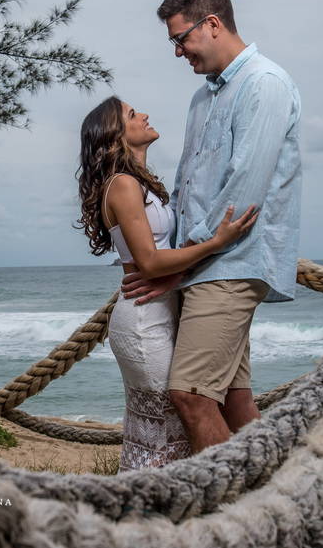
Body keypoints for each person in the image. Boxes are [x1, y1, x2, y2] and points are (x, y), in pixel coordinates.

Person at [123, 0, 302, 454]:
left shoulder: (264, 84)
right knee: (234, 399)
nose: (178, 52)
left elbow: (241, 195)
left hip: (232, 262)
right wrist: (168, 260)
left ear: (214, 24)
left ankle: (235, 515)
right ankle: (280, 503)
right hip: (203, 264)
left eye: (181, 38)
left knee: (190, 395)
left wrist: (179, 261)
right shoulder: (202, 98)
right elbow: (185, 191)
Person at [77, 95, 257, 472]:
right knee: (164, 437)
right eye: (131, 114)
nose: (144, 114)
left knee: (168, 436)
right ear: (114, 137)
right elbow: (151, 261)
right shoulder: (123, 184)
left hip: (160, 310)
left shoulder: (140, 183)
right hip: (145, 321)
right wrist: (217, 244)